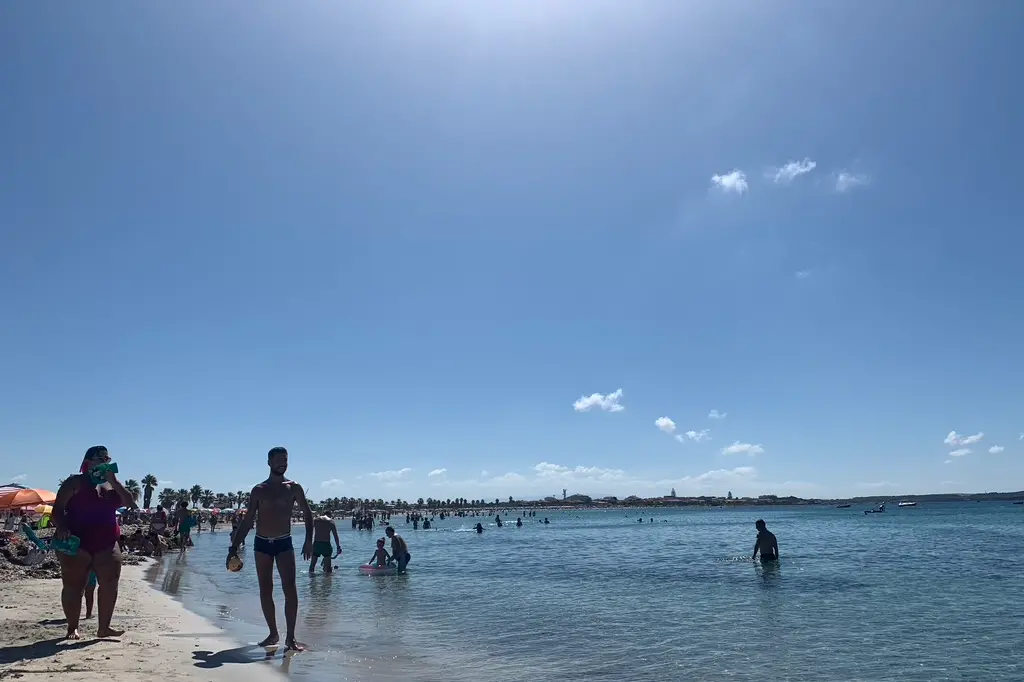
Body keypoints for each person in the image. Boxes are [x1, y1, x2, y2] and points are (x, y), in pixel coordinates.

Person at [227, 447, 313, 651]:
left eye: (286, 459)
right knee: (265, 589)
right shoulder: (259, 490)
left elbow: (308, 514)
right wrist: (234, 547)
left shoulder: (294, 488)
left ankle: (290, 638)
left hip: (284, 542)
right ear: (269, 463)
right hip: (262, 543)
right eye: (278, 460)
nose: (283, 463)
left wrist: (309, 541)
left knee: (290, 589)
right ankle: (273, 633)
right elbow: (248, 521)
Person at [51, 445, 137, 640]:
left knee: (110, 583)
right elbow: (57, 511)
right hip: (76, 542)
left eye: (106, 460)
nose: (104, 463)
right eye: (99, 460)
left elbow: (129, 502)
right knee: (74, 585)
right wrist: (62, 527)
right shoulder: (75, 482)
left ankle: (104, 628)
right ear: (87, 463)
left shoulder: (111, 485)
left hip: (107, 541)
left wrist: (114, 482)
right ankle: (72, 627)